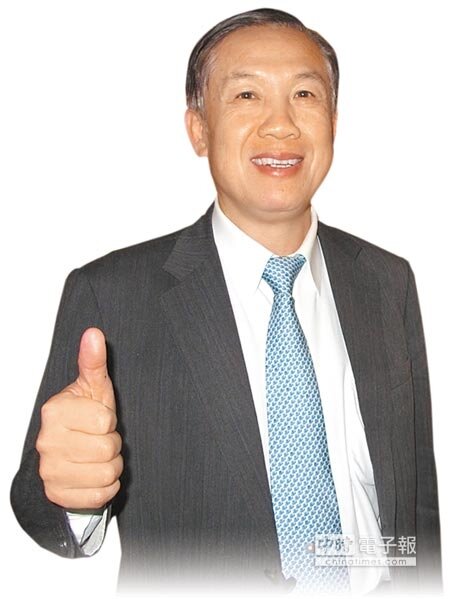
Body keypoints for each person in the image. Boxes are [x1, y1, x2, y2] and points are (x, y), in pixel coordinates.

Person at [10, 7, 441, 596]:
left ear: (334, 122)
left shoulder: (389, 282)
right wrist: (75, 496)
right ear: (199, 128)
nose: (281, 125)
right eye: (246, 95)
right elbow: (42, 507)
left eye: (305, 95)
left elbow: (416, 498)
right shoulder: (111, 294)